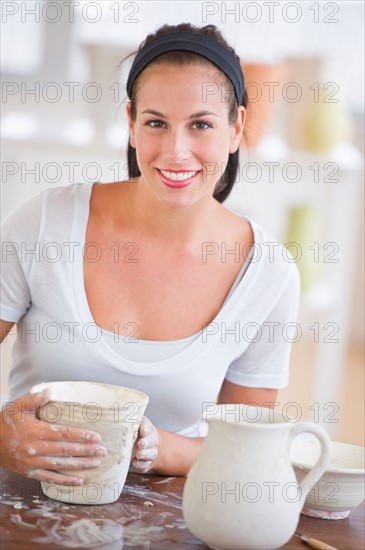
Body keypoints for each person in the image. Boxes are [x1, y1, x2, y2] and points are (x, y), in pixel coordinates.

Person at [0, 23, 300, 485]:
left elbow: (247, 446)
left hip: (166, 522)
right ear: (131, 124)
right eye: (156, 122)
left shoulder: (268, 273)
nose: (176, 152)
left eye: (201, 124)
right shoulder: (44, 224)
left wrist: (151, 445)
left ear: (237, 127)